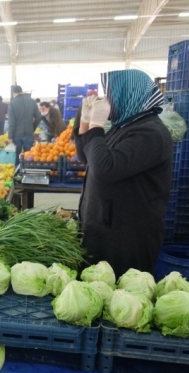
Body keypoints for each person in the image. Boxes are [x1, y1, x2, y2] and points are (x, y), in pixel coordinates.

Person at [74, 69, 172, 277]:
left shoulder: (150, 133)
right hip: (105, 228)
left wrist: (97, 126)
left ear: (129, 94)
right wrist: (85, 122)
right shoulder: (124, 126)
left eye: (112, 95)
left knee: (118, 293)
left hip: (126, 238)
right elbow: (86, 156)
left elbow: (105, 169)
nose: (108, 101)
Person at [8, 85, 40, 166]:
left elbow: (11, 122)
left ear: (14, 93)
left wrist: (10, 136)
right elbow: (39, 117)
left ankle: (18, 173)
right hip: (28, 133)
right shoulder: (32, 101)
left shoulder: (12, 103)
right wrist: (32, 127)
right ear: (22, 91)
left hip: (16, 134)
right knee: (28, 156)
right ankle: (28, 172)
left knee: (17, 155)